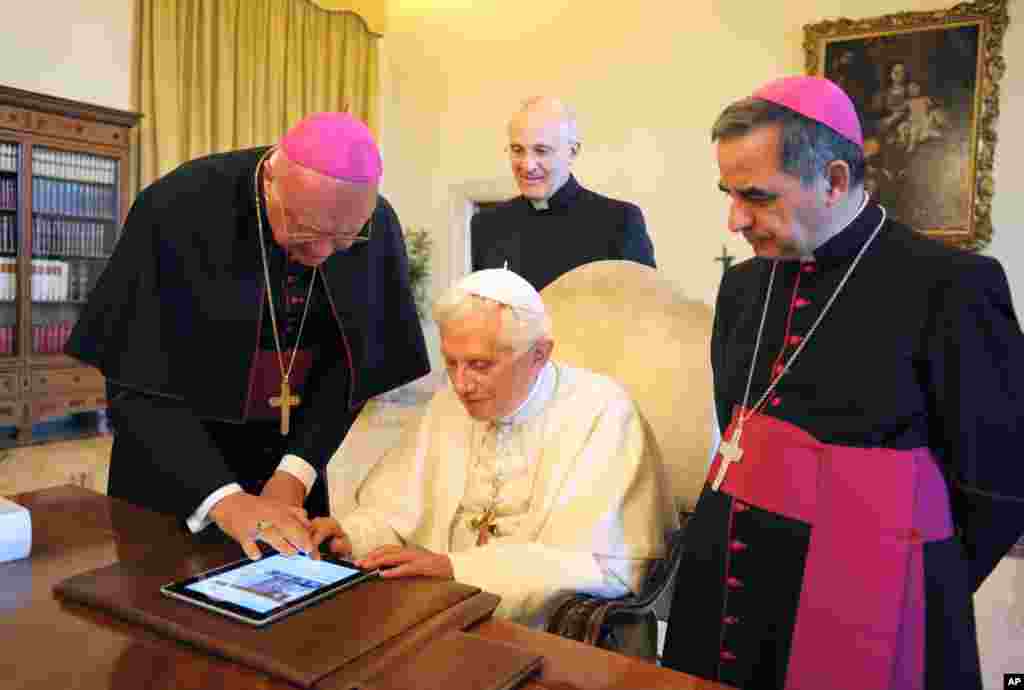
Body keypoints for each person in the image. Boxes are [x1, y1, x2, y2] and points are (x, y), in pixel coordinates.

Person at [661, 76, 1024, 690]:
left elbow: (999, 482)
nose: (735, 220)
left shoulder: (951, 285)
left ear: (831, 181)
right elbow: (736, 424)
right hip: (727, 587)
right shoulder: (744, 287)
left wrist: (916, 579)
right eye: (728, 193)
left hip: (874, 594)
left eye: (756, 197)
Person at [66, 113, 430, 559]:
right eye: (305, 231)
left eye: (342, 241)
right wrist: (224, 499)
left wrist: (294, 474)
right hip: (176, 471)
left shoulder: (375, 225)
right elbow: (136, 379)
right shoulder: (178, 206)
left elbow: (351, 373)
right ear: (273, 177)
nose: (319, 254)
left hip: (290, 470)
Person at [309, 268, 674, 626]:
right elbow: (393, 513)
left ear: (539, 355)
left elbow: (602, 566)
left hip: (544, 633)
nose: (462, 384)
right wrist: (352, 536)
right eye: (451, 363)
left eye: (480, 365)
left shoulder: (602, 412)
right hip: (438, 610)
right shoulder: (448, 404)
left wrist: (456, 568)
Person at [471, 97, 655, 291]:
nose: (527, 165)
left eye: (541, 151)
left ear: (572, 152)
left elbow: (644, 311)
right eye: (518, 150)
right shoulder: (486, 226)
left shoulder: (619, 222)